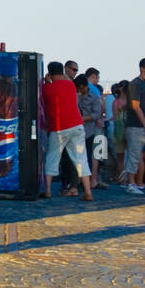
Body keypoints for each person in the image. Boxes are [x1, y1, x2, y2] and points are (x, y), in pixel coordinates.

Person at [41, 61, 93, 201]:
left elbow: (45, 101)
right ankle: (88, 192)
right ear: (62, 71)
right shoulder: (70, 85)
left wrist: (46, 82)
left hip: (59, 127)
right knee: (81, 159)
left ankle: (47, 190)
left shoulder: (47, 89)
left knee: (52, 158)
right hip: (77, 124)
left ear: (50, 73)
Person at [123, 58, 145, 195]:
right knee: (134, 154)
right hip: (135, 125)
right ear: (142, 68)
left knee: (142, 154)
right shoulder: (136, 84)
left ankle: (137, 183)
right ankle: (130, 183)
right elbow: (136, 106)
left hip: (143, 126)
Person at [76, 73, 105, 190]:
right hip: (80, 130)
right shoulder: (76, 96)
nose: (79, 90)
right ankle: (82, 180)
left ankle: (93, 180)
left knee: (96, 156)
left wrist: (83, 119)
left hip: (93, 130)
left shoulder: (94, 97)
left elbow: (97, 114)